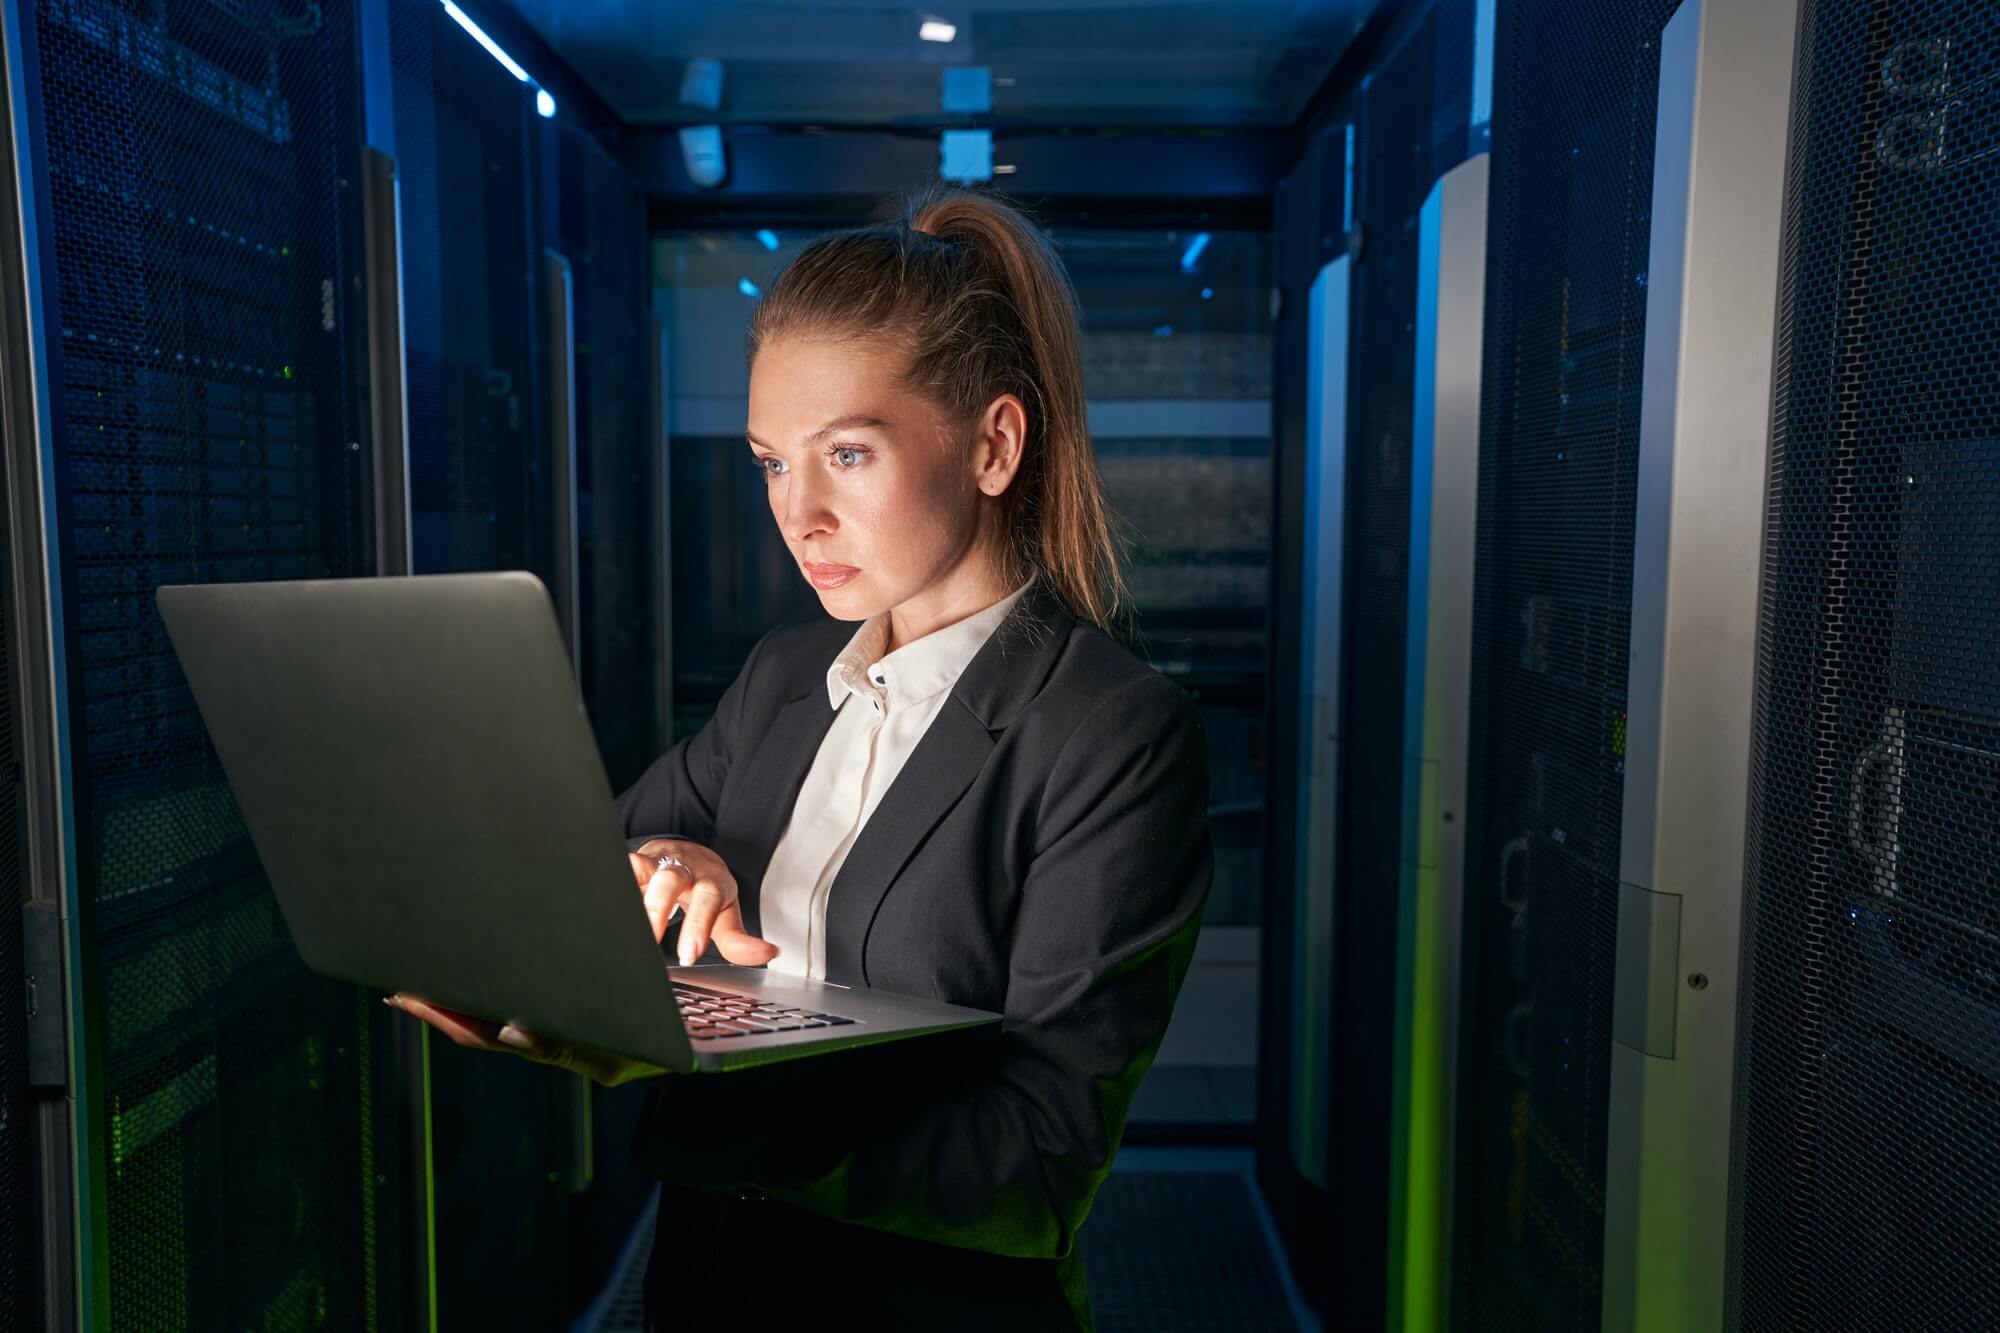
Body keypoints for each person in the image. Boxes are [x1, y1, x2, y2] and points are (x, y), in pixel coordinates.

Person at [387, 182, 1214, 1331]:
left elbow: (1035, 1164)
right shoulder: (783, 675)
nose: (798, 513)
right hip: (705, 1291)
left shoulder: (1110, 732)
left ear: (993, 445)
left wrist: (696, 1087)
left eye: (848, 453)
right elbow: (585, 873)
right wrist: (664, 861)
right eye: (772, 462)